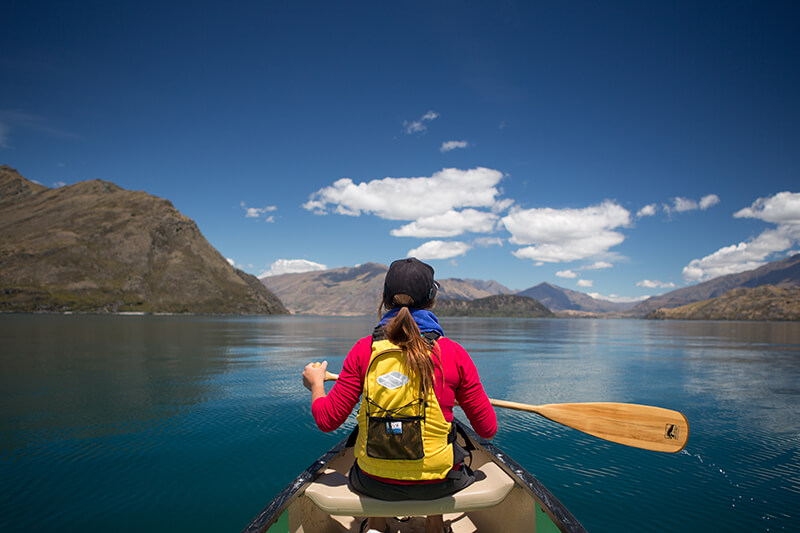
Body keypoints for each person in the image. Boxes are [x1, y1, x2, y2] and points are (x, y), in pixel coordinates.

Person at [303, 258, 497, 533]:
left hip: (372, 482)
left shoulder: (363, 350)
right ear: (432, 301)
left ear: (384, 299)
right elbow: (487, 429)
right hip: (438, 485)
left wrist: (316, 385)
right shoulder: (454, 354)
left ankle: (377, 525)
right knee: (448, 449)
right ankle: (434, 525)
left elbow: (327, 420)